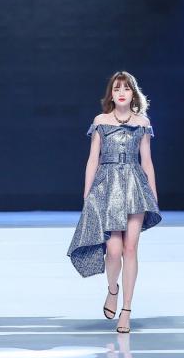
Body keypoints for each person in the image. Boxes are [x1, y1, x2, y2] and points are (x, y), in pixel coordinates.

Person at [67, 71, 161, 333]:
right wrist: (87, 194)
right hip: (106, 187)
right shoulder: (100, 121)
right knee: (114, 251)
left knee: (130, 249)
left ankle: (126, 309)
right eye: (117, 88)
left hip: (134, 186)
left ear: (133, 93)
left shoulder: (142, 123)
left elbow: (147, 161)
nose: (121, 93)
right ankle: (112, 289)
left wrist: (153, 194)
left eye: (126, 88)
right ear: (111, 94)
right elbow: (93, 159)